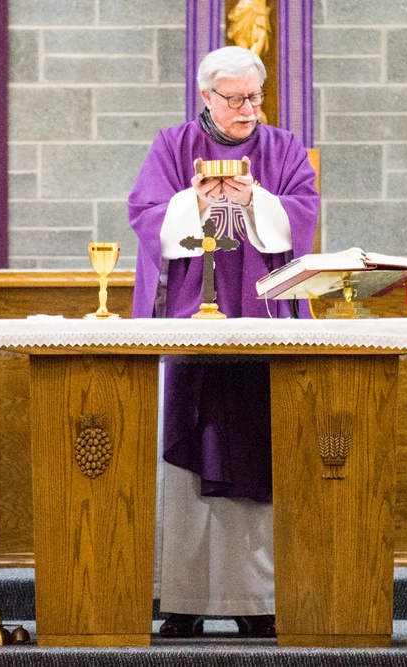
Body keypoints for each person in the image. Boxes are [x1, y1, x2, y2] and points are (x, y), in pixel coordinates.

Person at [128, 46, 320, 637]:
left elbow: (305, 211)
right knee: (186, 462)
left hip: (262, 317)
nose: (247, 109)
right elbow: (145, 214)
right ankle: (182, 603)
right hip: (192, 322)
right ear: (207, 97)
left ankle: (255, 602)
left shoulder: (283, 148)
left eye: (254, 97)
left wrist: (255, 200)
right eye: (234, 99)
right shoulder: (173, 145)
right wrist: (198, 202)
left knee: (257, 452)